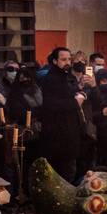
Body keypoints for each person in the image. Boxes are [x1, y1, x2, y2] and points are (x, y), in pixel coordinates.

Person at [39, 47, 85, 182]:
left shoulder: (67, 75)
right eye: (63, 59)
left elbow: (75, 92)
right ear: (55, 61)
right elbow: (52, 105)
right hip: (59, 135)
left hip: (70, 132)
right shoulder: (51, 79)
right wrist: (75, 102)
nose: (68, 62)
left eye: (69, 59)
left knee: (70, 170)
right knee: (63, 173)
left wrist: (82, 93)